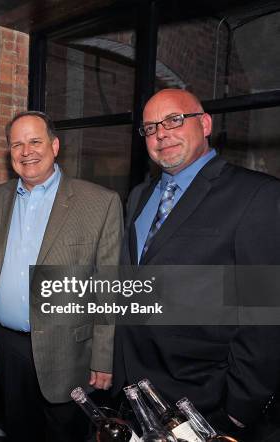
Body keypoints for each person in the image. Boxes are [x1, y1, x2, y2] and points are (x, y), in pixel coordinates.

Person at [113, 88, 280, 439]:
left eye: (174, 120)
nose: (161, 133)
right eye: (150, 127)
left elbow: (264, 315)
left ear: (204, 124)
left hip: (207, 402)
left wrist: (239, 409)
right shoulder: (141, 195)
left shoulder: (256, 196)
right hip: (136, 393)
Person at [0, 110, 123, 442]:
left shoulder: (99, 202)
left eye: (35, 141)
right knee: (18, 431)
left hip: (68, 353)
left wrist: (103, 358)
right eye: (17, 144)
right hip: (9, 346)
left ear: (55, 145)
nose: (26, 151)